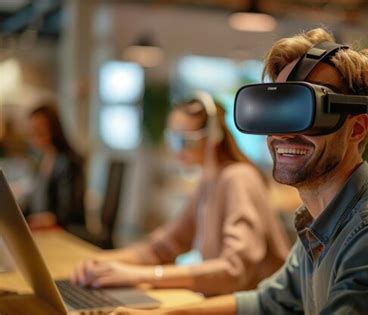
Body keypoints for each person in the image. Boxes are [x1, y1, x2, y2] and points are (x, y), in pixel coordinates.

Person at [110, 28, 368, 315]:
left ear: (357, 128)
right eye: (276, 110)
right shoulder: (319, 223)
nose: (283, 135)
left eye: (305, 111)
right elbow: (265, 302)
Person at [71, 95, 290, 296]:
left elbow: (234, 270)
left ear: (213, 136)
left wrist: (139, 275)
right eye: (173, 139)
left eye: (186, 140)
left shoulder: (238, 178)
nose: (177, 149)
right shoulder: (208, 181)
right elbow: (164, 247)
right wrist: (101, 262)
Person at [24, 100, 86, 230]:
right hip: (44, 230)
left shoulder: (69, 161)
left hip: (65, 233)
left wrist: (47, 219)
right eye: (32, 131)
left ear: (53, 129)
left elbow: (69, 211)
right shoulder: (42, 159)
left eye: (39, 129)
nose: (34, 136)